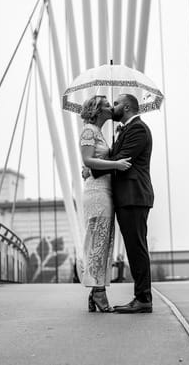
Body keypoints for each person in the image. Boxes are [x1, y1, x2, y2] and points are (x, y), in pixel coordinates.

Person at [91, 93, 154, 314]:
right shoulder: (126, 129)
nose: (113, 107)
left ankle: (143, 298)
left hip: (134, 196)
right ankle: (141, 297)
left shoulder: (137, 129)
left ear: (126, 107)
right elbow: (117, 159)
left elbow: (123, 158)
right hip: (127, 197)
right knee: (134, 247)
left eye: (116, 104)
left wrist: (91, 167)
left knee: (136, 248)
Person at [79, 95, 131, 313]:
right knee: (99, 241)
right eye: (107, 105)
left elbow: (91, 164)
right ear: (98, 110)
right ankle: (99, 292)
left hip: (105, 190)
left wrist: (95, 167)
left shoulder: (99, 132)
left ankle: (95, 291)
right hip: (97, 193)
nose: (111, 107)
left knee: (103, 241)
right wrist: (116, 164)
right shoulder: (89, 131)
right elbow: (87, 160)